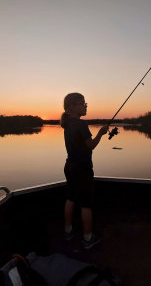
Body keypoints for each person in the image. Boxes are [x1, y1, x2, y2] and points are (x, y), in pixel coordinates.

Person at [60, 93, 109, 249]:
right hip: (82, 169)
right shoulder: (81, 125)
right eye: (82, 103)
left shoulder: (68, 124)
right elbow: (91, 145)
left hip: (70, 166)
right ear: (72, 107)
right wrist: (101, 133)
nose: (86, 105)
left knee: (71, 198)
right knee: (86, 204)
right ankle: (88, 238)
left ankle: (68, 231)